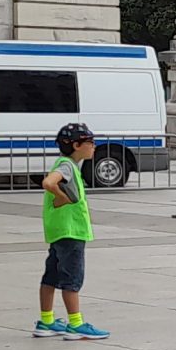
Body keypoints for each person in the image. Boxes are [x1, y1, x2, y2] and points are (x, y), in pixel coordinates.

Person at [34, 122, 110, 339]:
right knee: (72, 279)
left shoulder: (66, 164)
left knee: (51, 276)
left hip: (59, 230)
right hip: (71, 231)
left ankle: (46, 321)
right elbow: (48, 183)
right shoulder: (67, 165)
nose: (94, 146)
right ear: (76, 145)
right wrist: (62, 197)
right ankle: (75, 323)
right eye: (90, 142)